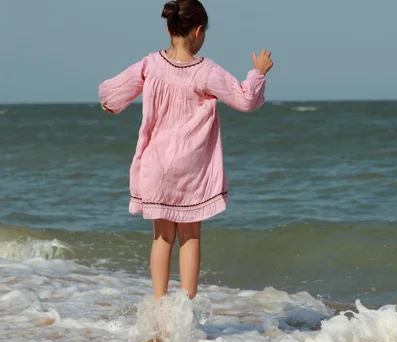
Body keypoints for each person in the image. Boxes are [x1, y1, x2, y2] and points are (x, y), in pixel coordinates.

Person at [98, 0, 273, 301]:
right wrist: (257, 73)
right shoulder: (206, 71)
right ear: (199, 30)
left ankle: (158, 310)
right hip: (191, 170)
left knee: (162, 239)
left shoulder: (150, 64)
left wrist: (113, 104)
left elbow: (110, 97)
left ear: (169, 27)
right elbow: (246, 101)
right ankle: (184, 313)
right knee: (190, 238)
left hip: (156, 166)